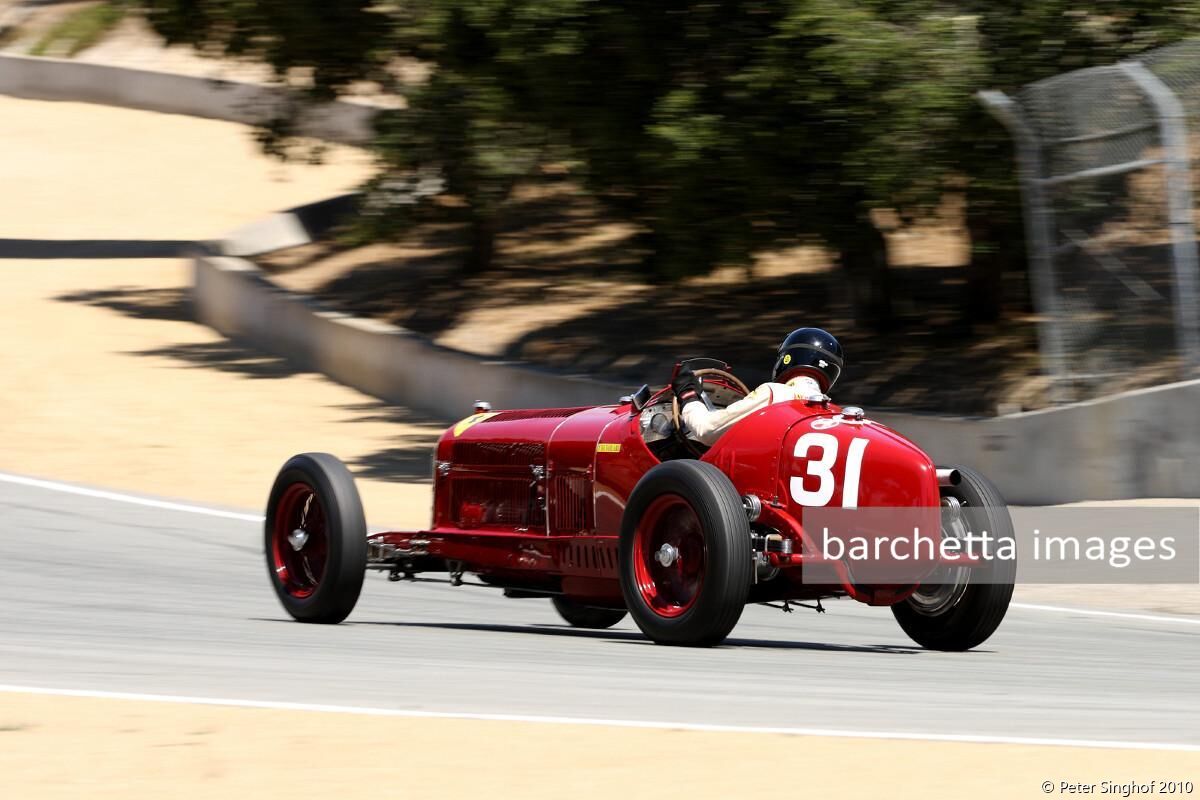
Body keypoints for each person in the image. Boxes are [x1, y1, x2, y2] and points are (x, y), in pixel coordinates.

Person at [672, 327, 843, 446]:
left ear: (787, 358)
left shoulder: (774, 394)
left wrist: (689, 396)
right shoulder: (834, 413)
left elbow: (707, 430)